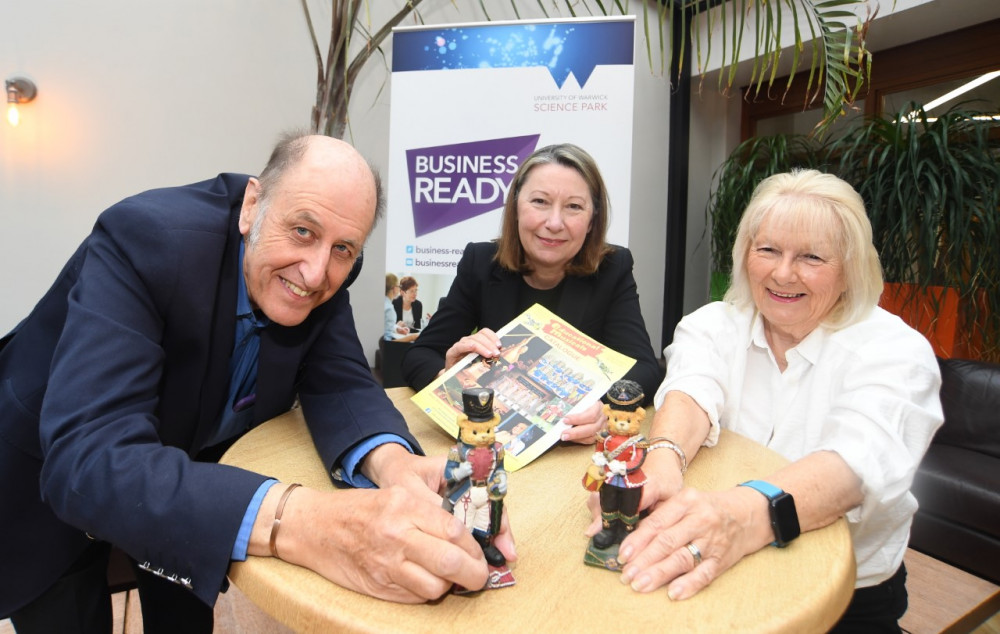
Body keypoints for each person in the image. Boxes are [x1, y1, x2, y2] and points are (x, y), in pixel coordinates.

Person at [0, 133, 515, 633]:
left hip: (189, 482)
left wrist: (394, 465)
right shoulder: (144, 238)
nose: (316, 274)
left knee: (183, 618)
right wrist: (304, 522)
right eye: (303, 232)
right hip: (44, 482)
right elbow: (90, 459)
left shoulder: (324, 265)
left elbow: (339, 379)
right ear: (252, 205)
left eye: (344, 249)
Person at [607, 170, 943, 632]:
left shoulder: (896, 352)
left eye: (811, 257)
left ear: (850, 269)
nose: (783, 273)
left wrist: (740, 514)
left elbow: (854, 467)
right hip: (723, 568)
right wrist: (661, 464)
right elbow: (690, 391)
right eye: (767, 250)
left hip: (846, 591)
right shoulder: (713, 324)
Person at [401, 143, 661, 443]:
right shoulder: (481, 263)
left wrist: (604, 407)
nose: (553, 223)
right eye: (539, 201)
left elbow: (644, 369)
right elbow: (419, 355)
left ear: (592, 221)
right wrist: (450, 380)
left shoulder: (612, 269)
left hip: (572, 451)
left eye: (574, 207)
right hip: (492, 437)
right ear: (515, 207)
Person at [384, 273, 416, 341]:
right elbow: (386, 341)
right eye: (399, 286)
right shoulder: (389, 309)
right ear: (394, 288)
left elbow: (385, 326)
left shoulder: (383, 302)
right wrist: (412, 337)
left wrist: (396, 328)